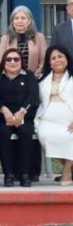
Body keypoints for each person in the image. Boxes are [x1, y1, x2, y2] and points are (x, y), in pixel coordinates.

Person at [0, 48, 39, 187]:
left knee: (25, 133)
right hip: (3, 117)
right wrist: (4, 110)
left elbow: (33, 96)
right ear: (3, 62)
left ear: (21, 61)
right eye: (9, 59)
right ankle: (8, 174)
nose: (12, 62)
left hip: (24, 117)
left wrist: (22, 112)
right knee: (4, 133)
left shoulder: (29, 76)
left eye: (16, 59)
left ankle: (25, 174)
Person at [35, 45, 73, 186]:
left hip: (70, 118)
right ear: (49, 63)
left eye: (60, 56)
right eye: (53, 58)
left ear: (67, 59)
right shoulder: (43, 79)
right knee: (46, 137)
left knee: (70, 137)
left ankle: (67, 171)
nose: (57, 60)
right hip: (47, 119)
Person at [0, 6, 47, 78]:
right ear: (12, 21)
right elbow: (1, 62)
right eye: (16, 18)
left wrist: (33, 77)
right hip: (11, 79)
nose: (19, 21)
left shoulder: (39, 37)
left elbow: (43, 61)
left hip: (34, 79)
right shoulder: (5, 39)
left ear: (29, 21)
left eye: (23, 18)